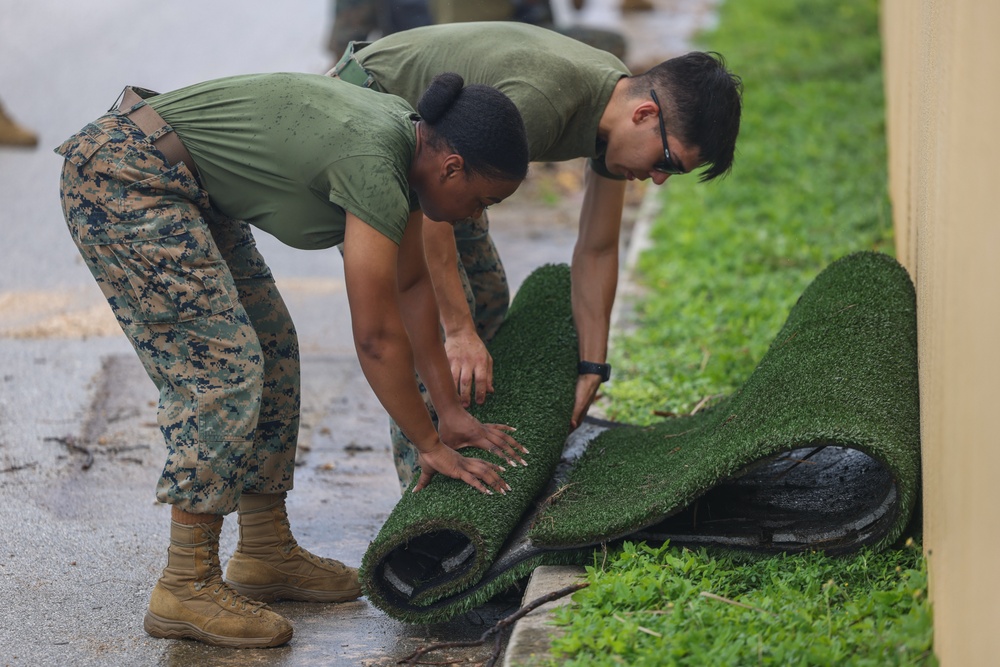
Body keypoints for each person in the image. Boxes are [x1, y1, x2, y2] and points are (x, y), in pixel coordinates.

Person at [54, 71, 529, 648]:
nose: (475, 217)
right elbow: (376, 336)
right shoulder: (376, 160)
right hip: (126, 177)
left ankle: (264, 550)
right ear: (452, 166)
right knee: (222, 372)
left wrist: (448, 412)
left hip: (185, 185)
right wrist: (427, 443)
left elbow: (410, 289)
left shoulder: (407, 152)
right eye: (483, 201)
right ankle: (185, 581)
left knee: (272, 349)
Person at [330, 21, 743, 490]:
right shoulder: (539, 104)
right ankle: (429, 505)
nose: (660, 179)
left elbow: (599, 246)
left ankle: (474, 460)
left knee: (486, 298)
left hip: (437, 154)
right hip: (365, 129)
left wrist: (592, 365)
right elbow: (428, 206)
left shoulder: (612, 107)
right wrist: (458, 330)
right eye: (667, 162)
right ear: (646, 114)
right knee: (439, 334)